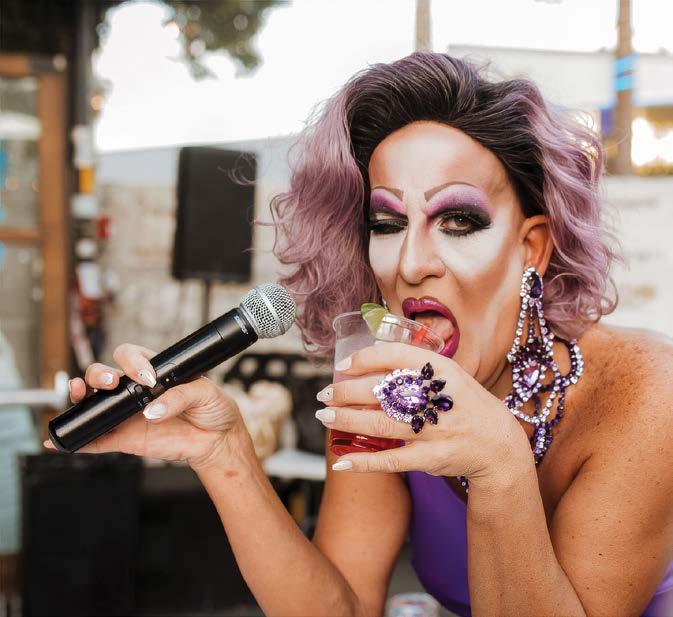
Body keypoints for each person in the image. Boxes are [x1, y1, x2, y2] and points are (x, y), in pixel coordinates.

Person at [46, 52, 673, 616]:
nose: (410, 264)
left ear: (531, 247)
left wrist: (500, 466)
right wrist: (223, 453)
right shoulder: (385, 382)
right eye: (387, 223)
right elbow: (340, 607)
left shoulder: (645, 392)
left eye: (458, 221)